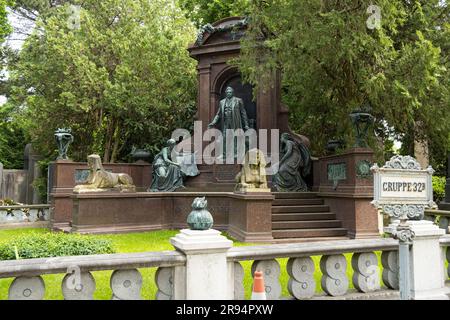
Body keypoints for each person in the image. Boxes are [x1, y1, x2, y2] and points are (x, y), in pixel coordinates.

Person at [208, 86, 250, 158]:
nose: (229, 93)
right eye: (227, 92)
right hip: (226, 122)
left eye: (230, 92)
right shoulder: (222, 102)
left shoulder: (238, 100)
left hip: (235, 121)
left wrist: (246, 124)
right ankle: (223, 154)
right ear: (225, 93)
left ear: (233, 93)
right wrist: (213, 122)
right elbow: (218, 114)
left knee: (235, 137)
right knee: (224, 137)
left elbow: (243, 113)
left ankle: (236, 153)